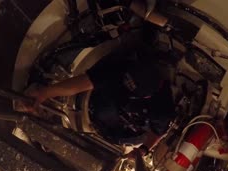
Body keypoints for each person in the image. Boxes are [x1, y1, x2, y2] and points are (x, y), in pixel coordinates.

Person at [20, 1, 176, 153]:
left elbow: (157, 133)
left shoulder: (162, 110)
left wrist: (143, 150)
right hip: (110, 102)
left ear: (146, 96)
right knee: (104, 106)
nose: (127, 83)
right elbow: (83, 83)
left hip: (129, 123)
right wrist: (45, 92)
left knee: (123, 132)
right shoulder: (121, 68)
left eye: (131, 87)